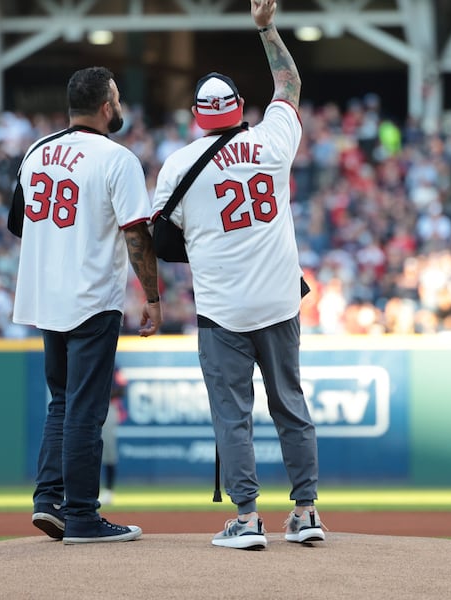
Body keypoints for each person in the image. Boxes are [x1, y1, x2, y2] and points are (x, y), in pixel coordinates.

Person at [152, 0, 323, 550]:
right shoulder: (272, 140)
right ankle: (307, 511)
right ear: (240, 107)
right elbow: (289, 83)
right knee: (290, 405)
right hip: (278, 299)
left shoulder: (178, 164)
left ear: (198, 117)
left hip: (222, 308)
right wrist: (266, 27)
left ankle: (247, 519)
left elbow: (160, 238)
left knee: (233, 415)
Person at [9, 66, 162, 544]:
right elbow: (136, 232)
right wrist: (153, 297)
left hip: (44, 295)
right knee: (86, 409)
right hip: (91, 295)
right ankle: (81, 515)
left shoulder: (36, 152)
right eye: (116, 99)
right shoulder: (117, 159)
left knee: (62, 401)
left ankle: (48, 500)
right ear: (104, 107)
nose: (119, 106)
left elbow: (19, 222)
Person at [99, 368, 127, 506]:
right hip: (86, 405)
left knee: (108, 450)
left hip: (109, 406)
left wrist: (101, 393)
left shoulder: (114, 366)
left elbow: (122, 389)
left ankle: (108, 491)